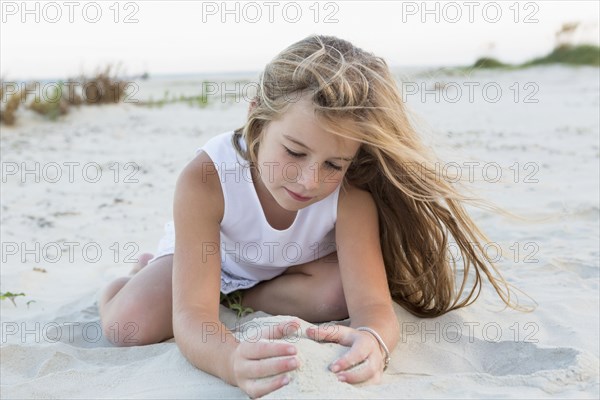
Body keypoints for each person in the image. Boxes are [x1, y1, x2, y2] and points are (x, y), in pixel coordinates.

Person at [98, 34, 524, 398]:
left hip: (286, 272)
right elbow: (194, 317)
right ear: (257, 120)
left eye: (333, 165)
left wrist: (375, 342)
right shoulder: (207, 177)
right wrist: (230, 360)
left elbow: (372, 305)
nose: (308, 180)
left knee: (334, 296)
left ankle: (238, 298)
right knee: (127, 328)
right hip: (209, 262)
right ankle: (129, 279)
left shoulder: (352, 194)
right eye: (295, 152)